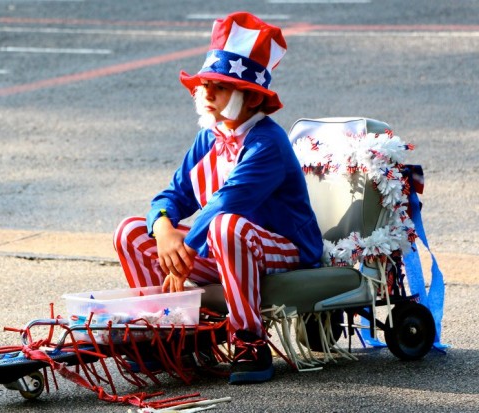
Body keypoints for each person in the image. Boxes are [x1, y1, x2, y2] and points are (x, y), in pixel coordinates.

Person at [114, 11, 323, 384]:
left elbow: (228, 203)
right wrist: (162, 227)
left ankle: (248, 341)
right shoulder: (209, 136)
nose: (206, 93)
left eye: (220, 87)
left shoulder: (267, 143)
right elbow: (173, 194)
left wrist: (183, 252)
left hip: (284, 248)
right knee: (131, 231)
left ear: (250, 97)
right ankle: (167, 335)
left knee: (227, 226)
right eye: (204, 83)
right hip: (221, 244)